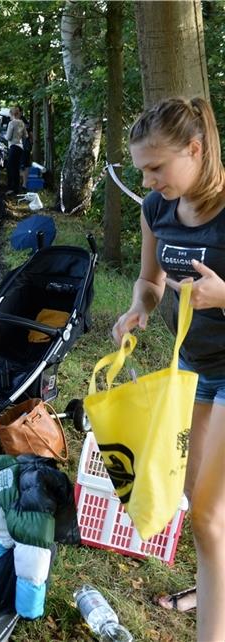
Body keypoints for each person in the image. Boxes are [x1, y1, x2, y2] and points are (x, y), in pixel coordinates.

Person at [113, 96, 225, 642]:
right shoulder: (156, 209)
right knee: (195, 501)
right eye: (142, 170)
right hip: (191, 369)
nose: (149, 179)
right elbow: (151, 281)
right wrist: (139, 308)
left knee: (205, 517)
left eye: (157, 167)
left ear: (196, 149)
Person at [4, 106, 26, 195]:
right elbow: (25, 136)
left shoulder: (11, 123)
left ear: (12, 114)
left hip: (13, 146)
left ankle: (11, 188)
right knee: (16, 168)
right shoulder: (22, 123)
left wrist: (4, 136)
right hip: (20, 147)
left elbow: (8, 137)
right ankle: (16, 188)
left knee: (10, 168)